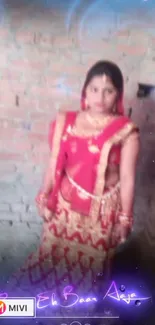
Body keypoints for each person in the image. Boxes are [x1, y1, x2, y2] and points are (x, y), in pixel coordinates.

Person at [5, 60, 140, 318]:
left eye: (108, 90)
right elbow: (54, 163)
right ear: (84, 92)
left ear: (118, 96)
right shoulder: (65, 122)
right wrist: (44, 195)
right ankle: (29, 308)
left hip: (100, 215)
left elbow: (127, 177)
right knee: (50, 259)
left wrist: (125, 219)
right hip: (64, 208)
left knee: (90, 271)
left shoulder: (126, 132)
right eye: (94, 88)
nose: (100, 96)